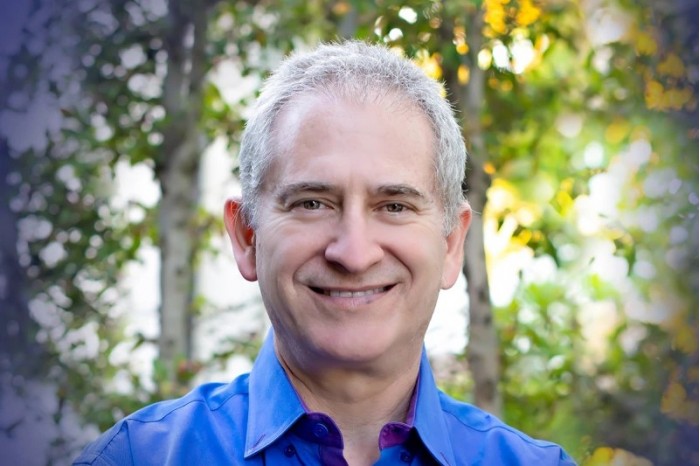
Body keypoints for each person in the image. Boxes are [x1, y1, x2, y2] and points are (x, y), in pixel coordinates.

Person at [74, 41, 576, 466]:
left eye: (394, 206)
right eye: (312, 203)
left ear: (450, 244)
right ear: (247, 236)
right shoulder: (136, 457)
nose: (354, 254)